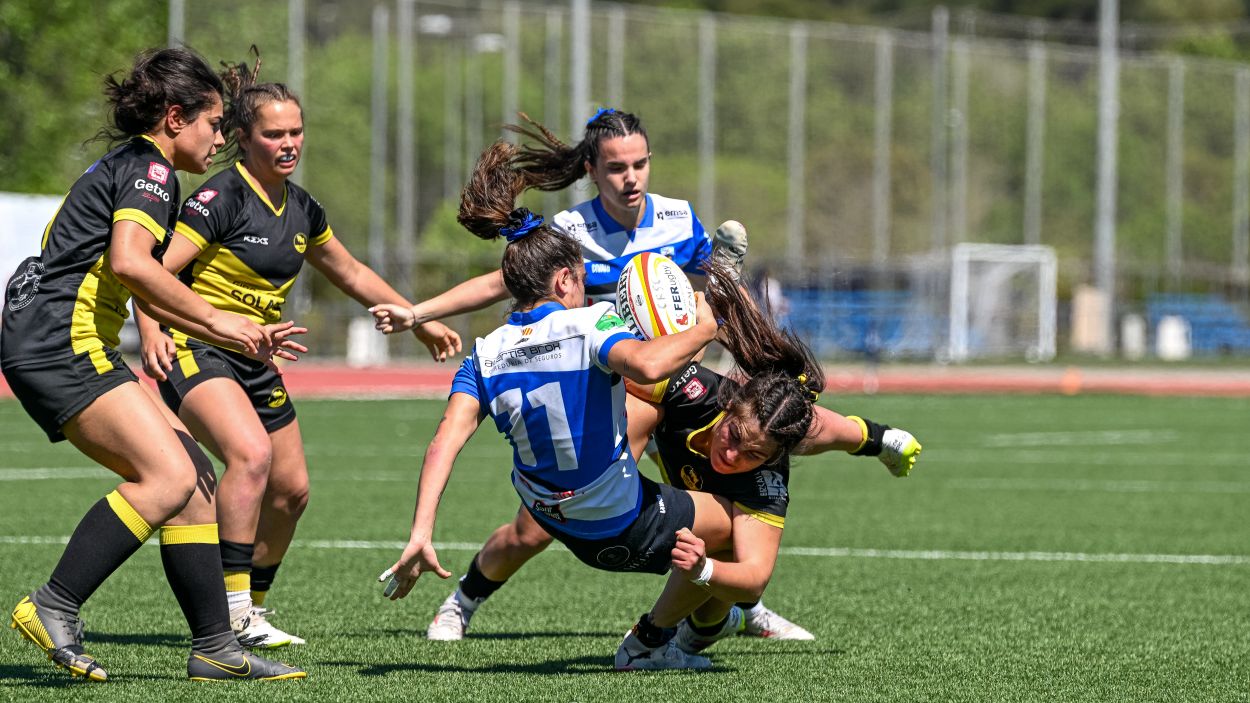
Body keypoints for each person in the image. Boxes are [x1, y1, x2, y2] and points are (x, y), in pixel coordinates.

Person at [374, 140, 771, 671]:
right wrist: (705, 325)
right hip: (617, 522)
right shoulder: (589, 324)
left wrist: (421, 531)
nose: (587, 289)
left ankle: (713, 618)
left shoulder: (483, 355)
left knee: (639, 421)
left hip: (553, 514)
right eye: (582, 281)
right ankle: (663, 640)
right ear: (564, 279)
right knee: (740, 527)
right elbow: (650, 367)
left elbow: (445, 440)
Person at [134, 53, 461, 648]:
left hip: (255, 357)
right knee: (250, 456)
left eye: (295, 132)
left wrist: (417, 318)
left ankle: (252, 609)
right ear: (243, 137)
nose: (289, 144)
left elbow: (351, 271)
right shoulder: (220, 199)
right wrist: (151, 329)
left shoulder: (303, 209)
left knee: (292, 491)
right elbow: (151, 270)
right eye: (273, 134)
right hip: (197, 348)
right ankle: (230, 615)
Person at [1, 47, 304, 682]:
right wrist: (221, 321)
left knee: (195, 483)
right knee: (166, 477)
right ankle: (54, 605)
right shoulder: (153, 172)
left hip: (63, 339)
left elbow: (139, 281)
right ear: (174, 117)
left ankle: (215, 647)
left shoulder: (139, 167)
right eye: (214, 123)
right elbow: (133, 265)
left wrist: (235, 335)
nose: (220, 137)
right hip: (61, 341)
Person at [617, 274, 921, 655]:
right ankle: (880, 438)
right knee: (642, 399)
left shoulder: (766, 482)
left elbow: (754, 578)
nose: (733, 455)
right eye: (734, 436)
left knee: (811, 436)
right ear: (729, 406)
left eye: (753, 455)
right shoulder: (699, 392)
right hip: (699, 445)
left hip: (725, 508)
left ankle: (690, 632)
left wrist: (703, 571)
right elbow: (625, 371)